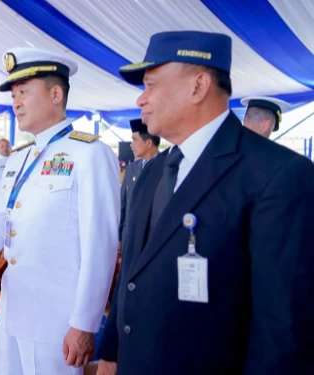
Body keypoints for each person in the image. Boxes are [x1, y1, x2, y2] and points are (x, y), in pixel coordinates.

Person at [96, 31, 314, 375]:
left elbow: (282, 325)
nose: (141, 99)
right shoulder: (153, 173)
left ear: (198, 87)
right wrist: (110, 352)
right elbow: (132, 277)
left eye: (151, 85)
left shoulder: (278, 174)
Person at [0, 47, 120, 374]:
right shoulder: (19, 158)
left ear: (56, 94)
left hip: (57, 320)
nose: (16, 102)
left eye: (24, 92)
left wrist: (84, 323)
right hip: (14, 312)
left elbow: (101, 246)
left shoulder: (90, 154)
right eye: (14, 94)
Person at [119, 119, 160, 247]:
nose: (131, 145)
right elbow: (123, 204)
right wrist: (120, 236)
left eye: (134, 140)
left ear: (148, 143)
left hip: (151, 239)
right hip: (129, 237)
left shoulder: (166, 166)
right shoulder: (131, 168)